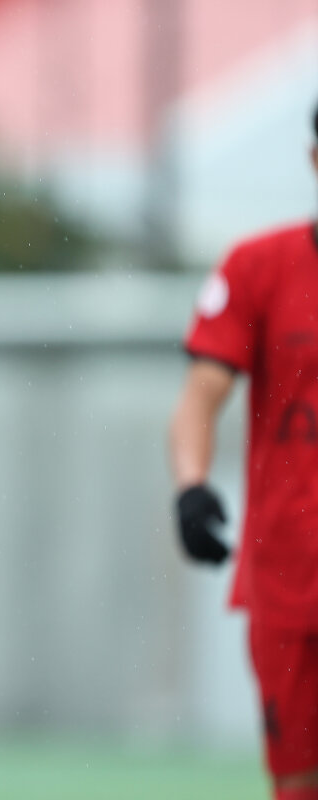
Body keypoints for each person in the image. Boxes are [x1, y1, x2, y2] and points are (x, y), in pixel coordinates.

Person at [168, 108, 318, 800]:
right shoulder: (260, 267)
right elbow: (200, 399)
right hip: (291, 574)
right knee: (297, 781)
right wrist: (191, 487)